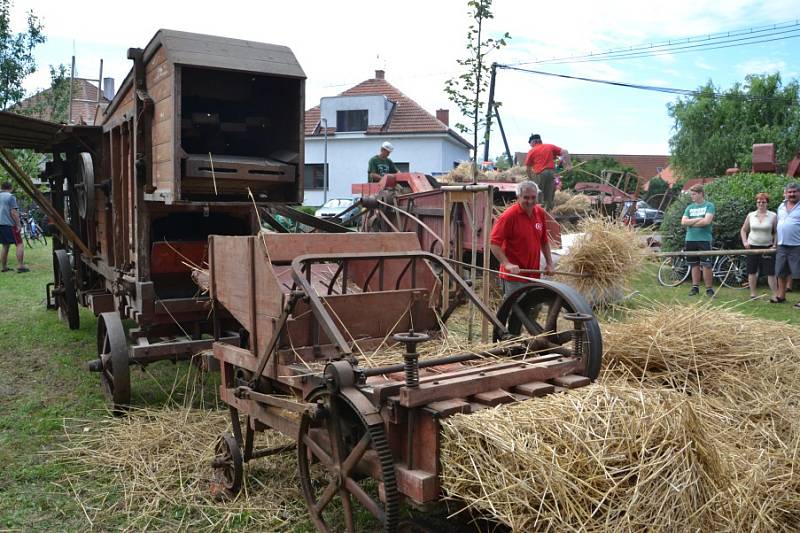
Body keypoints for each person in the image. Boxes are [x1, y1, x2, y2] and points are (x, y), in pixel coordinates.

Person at [490, 180, 554, 297]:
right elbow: (494, 243)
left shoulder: (539, 212)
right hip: (515, 276)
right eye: (526, 197)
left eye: (533, 197)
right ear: (518, 196)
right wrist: (507, 264)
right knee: (515, 311)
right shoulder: (509, 216)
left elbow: (544, 241)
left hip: (534, 275)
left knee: (533, 309)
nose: (530, 201)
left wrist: (549, 263)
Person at [739, 192, 777, 300]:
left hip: (768, 247)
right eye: (758, 202)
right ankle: (753, 294)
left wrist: (774, 244)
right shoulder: (751, 215)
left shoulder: (773, 216)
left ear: (767, 203)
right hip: (752, 247)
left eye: (763, 202)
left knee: (771, 272)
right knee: (752, 271)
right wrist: (745, 242)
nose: (761, 204)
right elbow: (743, 230)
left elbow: (777, 232)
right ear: (756, 203)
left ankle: (775, 295)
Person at [681, 184, 715, 296]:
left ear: (701, 193)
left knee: (706, 264)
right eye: (691, 194)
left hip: (704, 240)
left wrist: (691, 223)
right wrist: (699, 219)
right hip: (690, 239)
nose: (692, 196)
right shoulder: (689, 207)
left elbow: (707, 222)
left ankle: (709, 289)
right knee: (694, 264)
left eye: (694, 194)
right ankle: (695, 288)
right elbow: (683, 222)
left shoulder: (709, 206)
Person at [524, 134, 571, 210]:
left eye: (530, 143)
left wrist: (531, 179)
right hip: (552, 173)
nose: (531, 146)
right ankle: (548, 213)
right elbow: (564, 151)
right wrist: (569, 165)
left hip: (540, 174)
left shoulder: (532, 151)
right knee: (549, 197)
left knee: (538, 194)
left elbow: (528, 169)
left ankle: (537, 212)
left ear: (534, 142)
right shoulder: (549, 146)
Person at [772, 182, 800, 305]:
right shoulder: (781, 206)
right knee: (781, 272)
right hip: (782, 245)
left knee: (798, 274)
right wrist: (776, 242)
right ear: (786, 193)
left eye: (794, 192)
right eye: (789, 192)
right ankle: (781, 296)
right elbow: (779, 225)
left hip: (797, 246)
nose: (792, 194)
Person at [0, 181, 28, 273]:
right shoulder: (11, 197)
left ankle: (4, 267)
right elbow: (13, 212)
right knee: (19, 243)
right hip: (9, 224)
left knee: (5, 245)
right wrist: (18, 224)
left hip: (1, 224)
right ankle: (20, 266)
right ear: (10, 188)